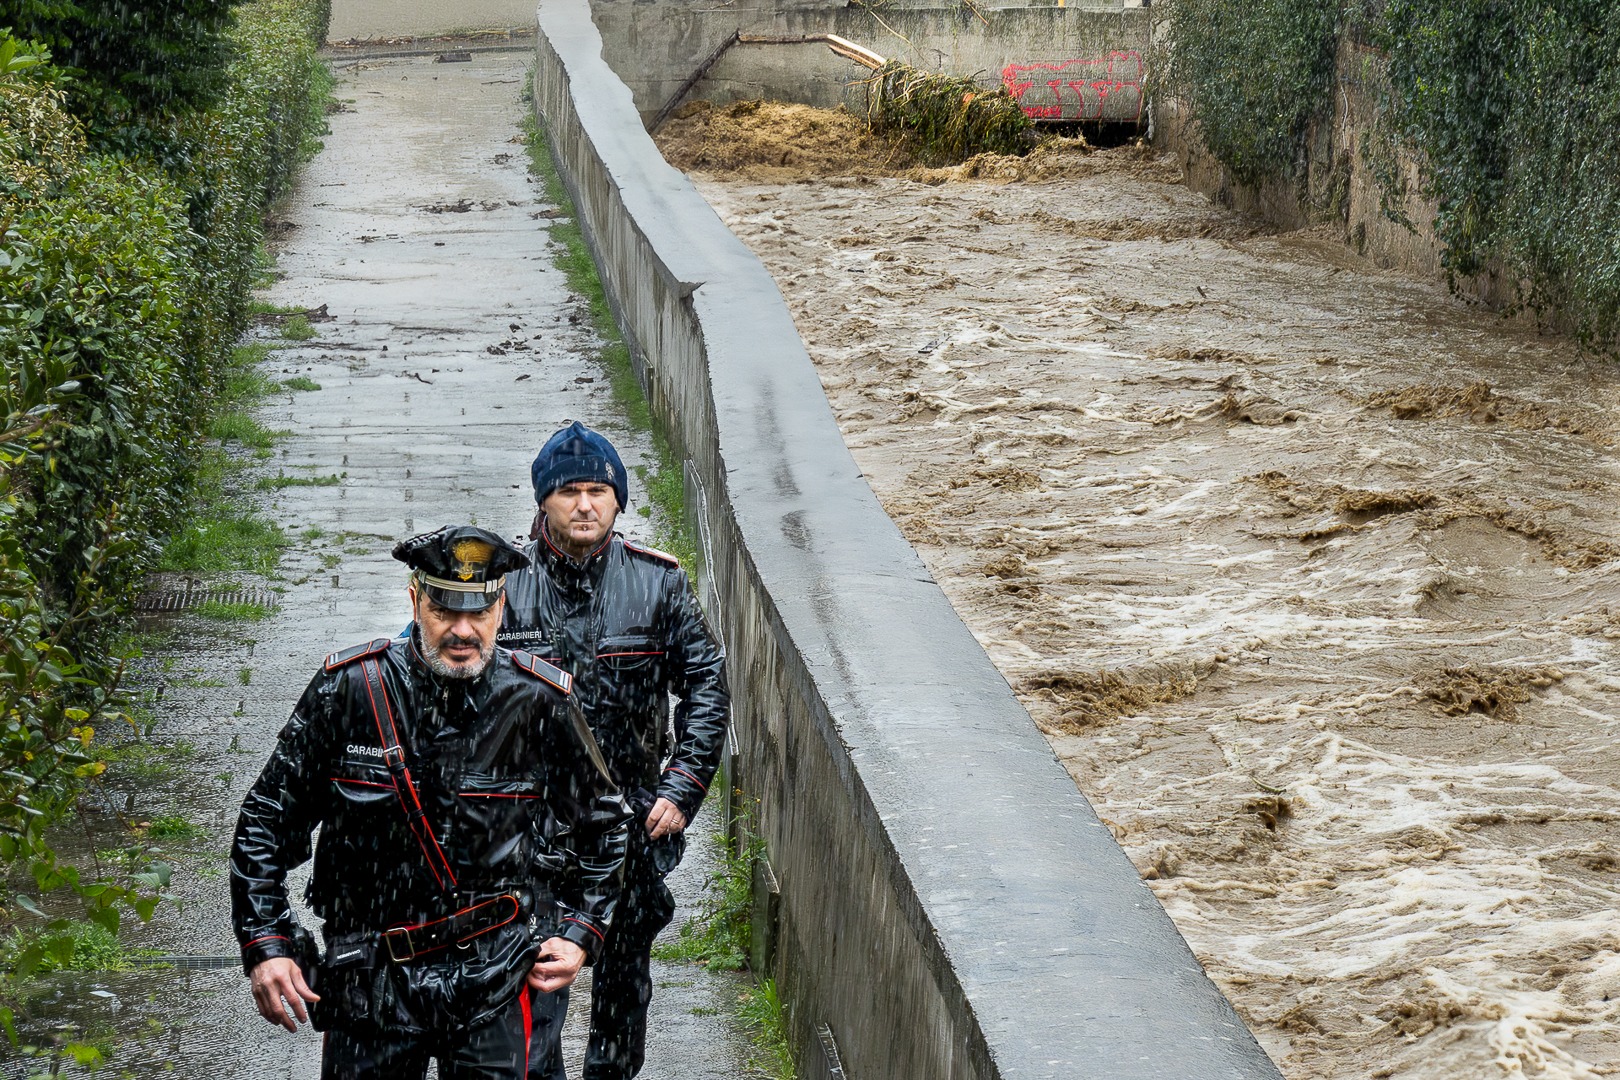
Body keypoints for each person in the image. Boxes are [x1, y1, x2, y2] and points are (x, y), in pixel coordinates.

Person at [230, 525, 630, 1079]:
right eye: (444, 611)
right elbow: (265, 823)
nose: (462, 631)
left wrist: (582, 929)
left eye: (478, 613)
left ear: (501, 608)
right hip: (370, 977)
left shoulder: (538, 700)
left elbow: (606, 826)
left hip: (494, 975)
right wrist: (267, 943)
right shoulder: (349, 691)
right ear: (415, 601)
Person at [499, 421, 730, 1080]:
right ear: (543, 499)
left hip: (631, 825)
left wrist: (682, 785)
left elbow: (707, 686)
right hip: (530, 831)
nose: (585, 505)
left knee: (624, 992)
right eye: (569, 491)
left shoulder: (657, 585)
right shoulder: (505, 587)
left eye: (598, 490)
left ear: (618, 501)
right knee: (535, 991)